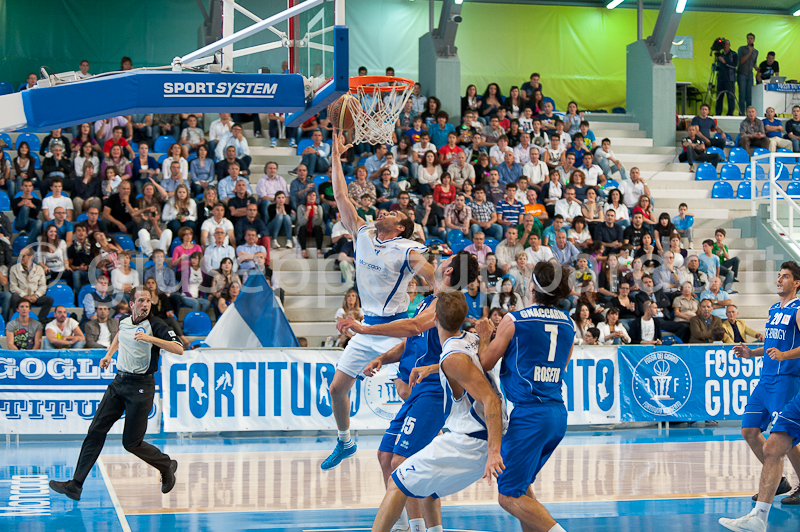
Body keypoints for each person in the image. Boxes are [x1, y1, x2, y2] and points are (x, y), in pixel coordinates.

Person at [337, 252, 479, 532]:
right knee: (386, 458)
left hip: (434, 391)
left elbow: (413, 326)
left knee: (406, 462)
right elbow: (411, 340)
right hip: (418, 393)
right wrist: (383, 358)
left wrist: (364, 329)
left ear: (449, 271)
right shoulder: (429, 300)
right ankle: (407, 525)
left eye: (444, 260)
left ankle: (418, 527)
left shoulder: (447, 300)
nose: (437, 263)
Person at [321, 131, 435, 471]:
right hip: (367, 325)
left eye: (393, 213)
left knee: (405, 391)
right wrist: (336, 155)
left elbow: (430, 273)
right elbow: (340, 194)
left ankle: (424, 439)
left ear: (401, 227)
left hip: (396, 327)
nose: (385, 211)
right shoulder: (364, 233)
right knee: (337, 389)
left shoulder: (407, 249)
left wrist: (438, 288)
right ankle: (345, 442)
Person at [369, 292, 505, 532]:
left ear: (433, 319)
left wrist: (494, 451)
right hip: (489, 434)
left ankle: (411, 528)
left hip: (472, 440)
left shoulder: (452, 355)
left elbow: (490, 400)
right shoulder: (470, 340)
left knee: (398, 477)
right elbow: (471, 363)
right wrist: (432, 369)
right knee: (423, 480)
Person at [49, 287, 183, 502]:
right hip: (119, 383)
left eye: (148, 300)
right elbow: (121, 335)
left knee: (131, 443)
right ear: (131, 304)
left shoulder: (156, 325)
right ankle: (76, 485)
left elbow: (178, 348)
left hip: (141, 387)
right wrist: (109, 354)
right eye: (141, 300)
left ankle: (166, 465)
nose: (145, 304)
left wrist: (150, 339)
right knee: (95, 430)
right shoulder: (123, 320)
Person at [479, 260, 571, 532]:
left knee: (507, 495)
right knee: (522, 486)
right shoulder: (567, 322)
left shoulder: (514, 319)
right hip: (557, 414)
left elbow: (484, 362)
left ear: (532, 287)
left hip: (530, 414)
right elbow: (562, 365)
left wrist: (485, 335)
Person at [719, 262, 800, 531]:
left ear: (796, 283)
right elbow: (770, 345)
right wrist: (751, 353)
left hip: (785, 380)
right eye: (778, 276)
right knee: (749, 430)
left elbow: (787, 349)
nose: (779, 280)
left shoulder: (797, 310)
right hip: (765, 380)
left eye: (785, 277)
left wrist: (786, 355)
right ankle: (780, 483)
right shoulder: (774, 309)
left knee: (784, 439)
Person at [9, 247, 53, 322]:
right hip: (21, 297)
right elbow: (13, 286)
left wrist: (36, 296)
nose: (20, 258)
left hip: (34, 297)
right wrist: (24, 296)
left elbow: (42, 286)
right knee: (14, 297)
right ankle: (17, 319)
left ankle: (40, 320)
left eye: (23, 256)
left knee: (49, 300)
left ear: (30, 257)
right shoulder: (14, 268)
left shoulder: (39, 269)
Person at [737, 33, 759, 116]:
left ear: (753, 40)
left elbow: (753, 62)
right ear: (747, 39)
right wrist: (749, 52)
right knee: (742, 94)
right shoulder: (742, 49)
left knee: (749, 95)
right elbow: (741, 61)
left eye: (751, 38)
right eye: (748, 38)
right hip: (742, 73)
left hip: (750, 74)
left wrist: (756, 68)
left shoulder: (756, 52)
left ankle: (749, 114)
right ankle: (741, 113)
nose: (750, 40)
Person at [716, 39, 738, 116]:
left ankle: (730, 113)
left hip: (730, 79)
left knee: (730, 97)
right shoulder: (721, 54)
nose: (725, 46)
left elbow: (734, 65)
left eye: (726, 44)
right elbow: (718, 66)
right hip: (720, 78)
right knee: (719, 97)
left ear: (729, 45)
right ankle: (718, 113)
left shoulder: (734, 54)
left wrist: (725, 62)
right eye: (724, 44)